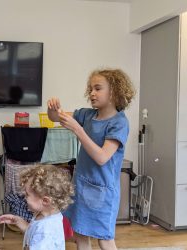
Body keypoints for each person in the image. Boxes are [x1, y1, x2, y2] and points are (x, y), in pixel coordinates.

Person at [47, 69, 136, 250]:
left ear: (114, 92)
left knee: (104, 238)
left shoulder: (119, 123)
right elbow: (56, 117)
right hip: (81, 185)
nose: (92, 93)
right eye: (91, 89)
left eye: (97, 89)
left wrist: (78, 130)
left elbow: (102, 157)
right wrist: (52, 111)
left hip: (102, 192)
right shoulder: (86, 115)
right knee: (80, 234)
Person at [0, 164, 74, 250]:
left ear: (45, 201)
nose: (24, 198)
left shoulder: (46, 232)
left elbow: (39, 233)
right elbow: (33, 232)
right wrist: (18, 221)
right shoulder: (45, 215)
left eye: (27, 195)